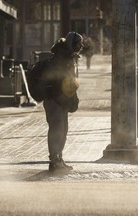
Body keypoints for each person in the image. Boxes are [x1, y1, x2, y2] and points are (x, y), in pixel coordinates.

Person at [43, 31, 83, 173]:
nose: (81, 46)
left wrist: (71, 97)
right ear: (72, 44)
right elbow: (60, 80)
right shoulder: (61, 58)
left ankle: (59, 158)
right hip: (54, 99)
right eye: (79, 43)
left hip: (62, 100)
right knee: (56, 130)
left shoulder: (68, 57)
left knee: (63, 130)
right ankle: (54, 161)